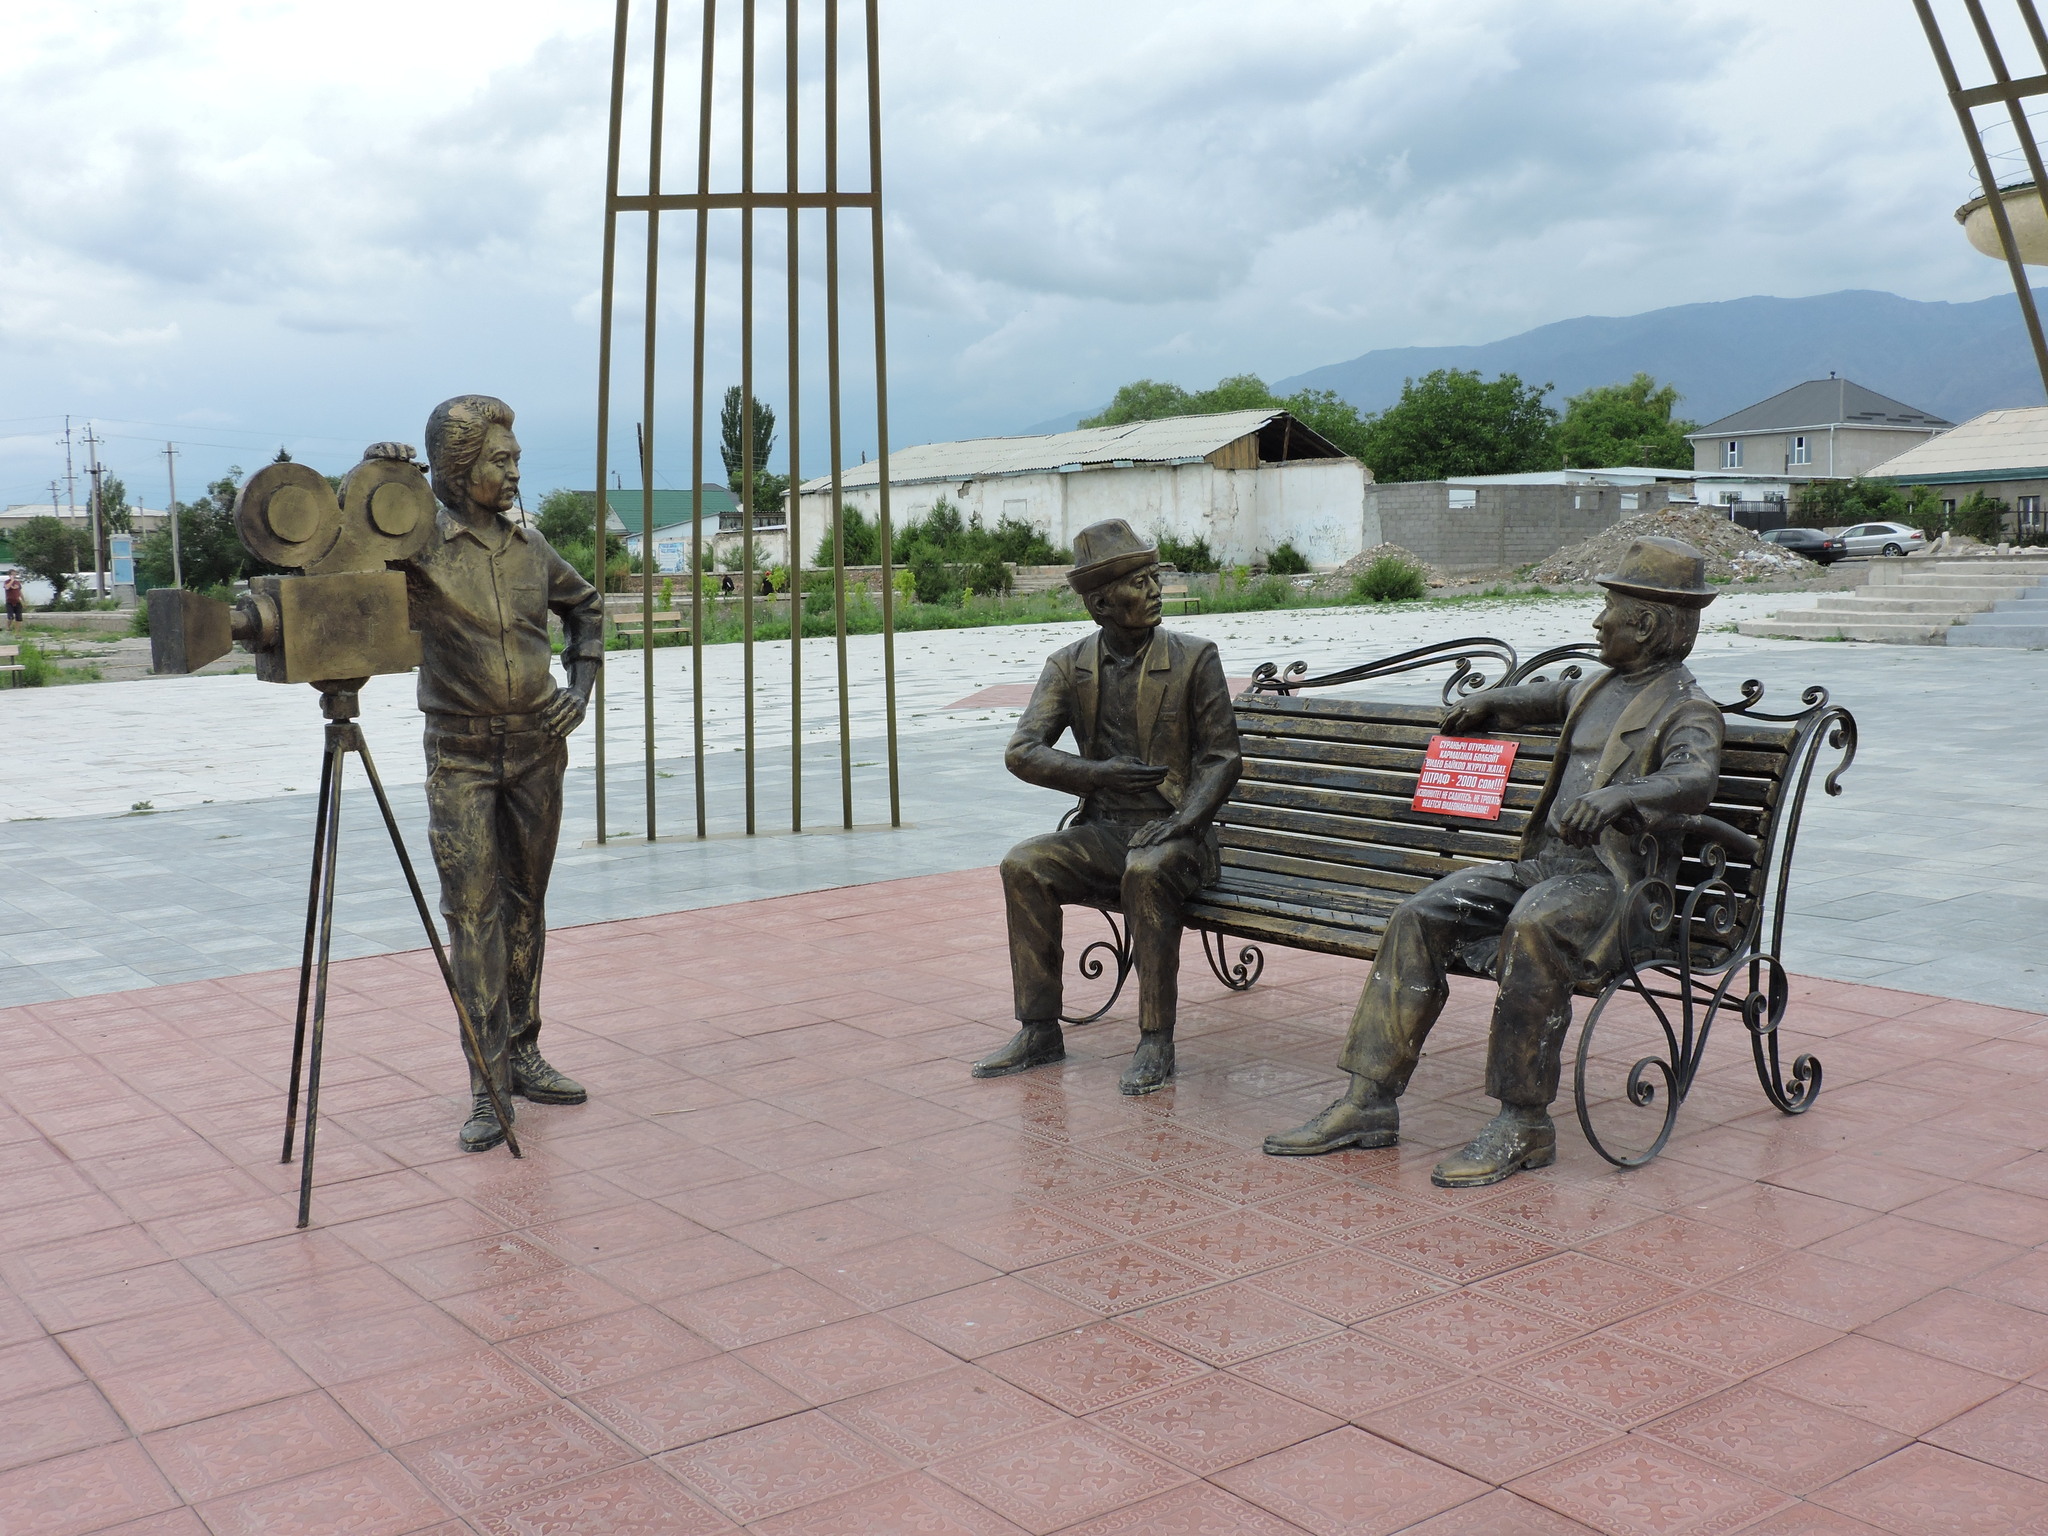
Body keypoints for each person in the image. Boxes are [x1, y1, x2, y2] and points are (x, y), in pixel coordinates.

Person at [1263, 536, 1724, 1187]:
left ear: (1646, 623)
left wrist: (1620, 795)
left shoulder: (1685, 708)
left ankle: (1526, 1120)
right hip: (1544, 870)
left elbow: (1695, 780)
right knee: (1421, 914)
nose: (1597, 622)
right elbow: (1547, 699)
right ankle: (1368, 1101)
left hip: (1616, 891)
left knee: (1532, 929)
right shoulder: (1600, 688)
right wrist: (1490, 702)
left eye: (1610, 609)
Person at [977, 519, 1242, 1096]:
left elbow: (1222, 758)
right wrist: (1096, 775)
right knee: (1024, 863)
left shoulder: (1196, 658)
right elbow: (1022, 752)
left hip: (1181, 838)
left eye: (1154, 577)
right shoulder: (1068, 666)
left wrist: (1184, 820)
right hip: (1103, 833)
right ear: (1099, 602)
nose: (1154, 589)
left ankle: (1155, 1039)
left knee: (1146, 872)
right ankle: (1040, 1028)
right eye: (1138, 581)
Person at [406, 396, 606, 1152]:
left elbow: (586, 610)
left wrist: (578, 692)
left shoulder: (529, 544)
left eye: (515, 456)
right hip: (459, 753)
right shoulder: (419, 542)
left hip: (535, 750)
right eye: (500, 459)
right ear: (459, 470)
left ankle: (522, 1051)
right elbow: (344, 549)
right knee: (474, 917)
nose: (515, 468)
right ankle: (487, 1083)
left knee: (526, 907)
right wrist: (378, 474)